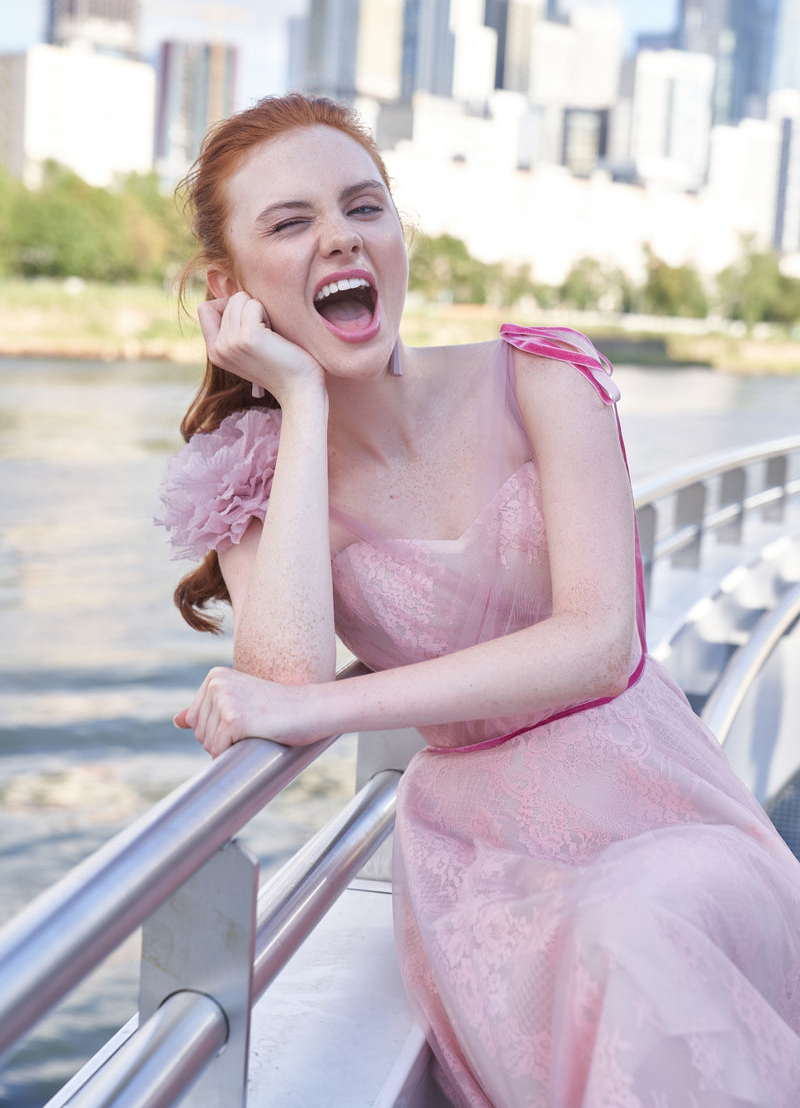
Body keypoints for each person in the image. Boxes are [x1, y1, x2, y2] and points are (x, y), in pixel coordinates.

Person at [157, 92, 800, 1107]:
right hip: (490, 863)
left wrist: (321, 712)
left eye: (362, 206)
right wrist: (304, 401)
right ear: (229, 289)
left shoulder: (539, 378)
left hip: (655, 804)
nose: (338, 238)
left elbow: (596, 642)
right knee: (613, 949)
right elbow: (285, 671)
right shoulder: (250, 476)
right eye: (290, 223)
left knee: (642, 919)